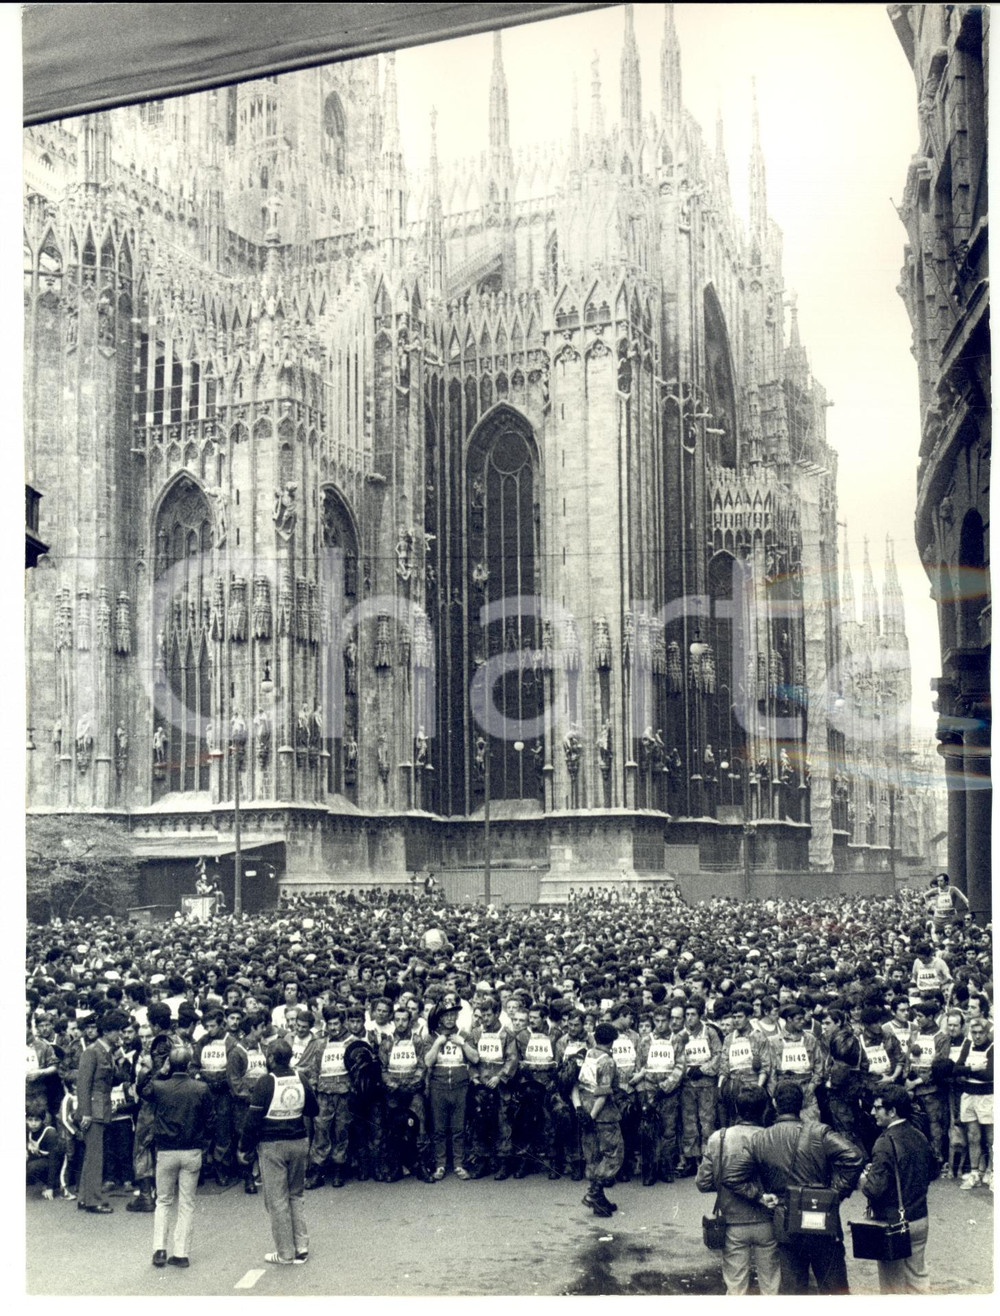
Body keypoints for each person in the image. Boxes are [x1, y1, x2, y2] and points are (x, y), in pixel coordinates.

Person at [728, 1078, 863, 1295]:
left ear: (774, 1104)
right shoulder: (820, 1132)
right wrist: (836, 1193)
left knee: (793, 1294)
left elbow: (732, 1176)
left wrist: (760, 1196)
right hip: (823, 1218)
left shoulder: (760, 1139)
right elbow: (854, 1157)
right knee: (835, 1291)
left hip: (785, 1222)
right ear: (801, 1104)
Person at [238, 1036, 318, 1265]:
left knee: (277, 1200)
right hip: (299, 1142)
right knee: (296, 1195)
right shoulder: (300, 1078)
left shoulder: (266, 1082)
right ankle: (301, 1248)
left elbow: (253, 1120)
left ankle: (285, 1253)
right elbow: (313, 1109)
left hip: (273, 1146)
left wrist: (244, 1147)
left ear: (270, 1058)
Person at [696, 1086, 780, 1296]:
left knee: (736, 1288)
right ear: (764, 1110)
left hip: (732, 1222)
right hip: (767, 1220)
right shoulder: (772, 1138)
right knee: (771, 1286)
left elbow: (703, 1182)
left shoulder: (719, 1138)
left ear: (736, 1108)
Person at [138, 1044, 215, 1269]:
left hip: (166, 1150)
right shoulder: (201, 1088)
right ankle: (181, 1253)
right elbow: (211, 1119)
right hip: (191, 1150)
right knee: (187, 1203)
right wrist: (203, 1141)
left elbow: (142, 1089)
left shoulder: (161, 1088)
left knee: (163, 1200)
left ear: (170, 1063)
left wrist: (160, 1071)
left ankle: (159, 1249)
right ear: (190, 1064)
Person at [858, 1084, 937, 1294]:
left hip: (893, 1222)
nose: (873, 1112)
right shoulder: (919, 1135)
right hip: (919, 1218)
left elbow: (874, 1189)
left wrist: (863, 1178)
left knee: (892, 1287)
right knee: (918, 1280)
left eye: (877, 1108)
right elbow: (933, 1172)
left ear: (892, 1111)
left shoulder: (884, 1142)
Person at [76, 1008, 128, 1214]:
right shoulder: (92, 1051)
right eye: (118, 1031)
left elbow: (113, 1079)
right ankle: (93, 1201)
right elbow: (83, 1085)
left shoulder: (107, 1052)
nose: (121, 1035)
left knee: (92, 1155)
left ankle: (84, 1197)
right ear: (107, 1032)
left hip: (101, 1108)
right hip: (94, 1110)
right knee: (95, 1157)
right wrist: (85, 1113)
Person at [575, 1021, 624, 1217]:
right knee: (614, 1153)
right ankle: (594, 1193)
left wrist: (580, 1109)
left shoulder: (586, 1055)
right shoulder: (607, 1062)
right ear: (612, 1042)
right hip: (602, 1116)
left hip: (585, 1109)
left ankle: (599, 1197)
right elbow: (603, 1094)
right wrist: (593, 1117)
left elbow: (576, 1084)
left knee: (593, 1155)